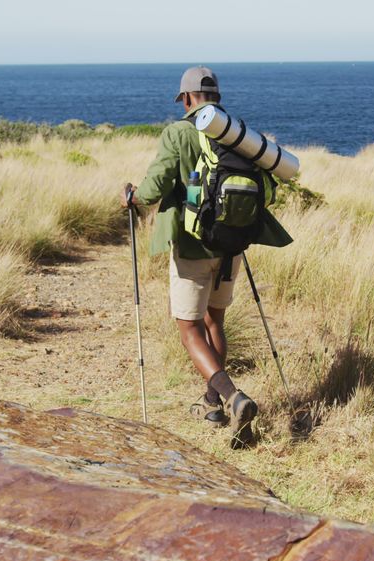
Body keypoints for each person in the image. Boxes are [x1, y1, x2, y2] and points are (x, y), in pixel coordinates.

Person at [122, 66, 292, 449]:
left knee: (189, 328)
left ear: (185, 99)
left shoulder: (178, 132)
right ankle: (212, 403)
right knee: (217, 320)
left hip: (192, 246)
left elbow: (154, 187)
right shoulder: (236, 133)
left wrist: (131, 197)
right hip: (232, 245)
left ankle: (232, 398)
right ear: (217, 97)